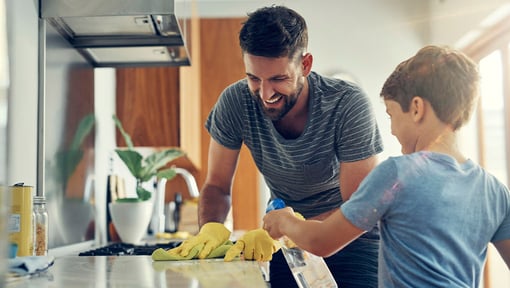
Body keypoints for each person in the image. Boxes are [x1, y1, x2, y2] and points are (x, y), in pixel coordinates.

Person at [167, 5, 383, 287]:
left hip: (351, 242)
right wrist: (211, 229)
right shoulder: (235, 102)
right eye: (254, 78)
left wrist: (289, 227)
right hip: (286, 244)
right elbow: (217, 186)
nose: (265, 94)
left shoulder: (347, 104)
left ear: (305, 64)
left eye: (278, 79)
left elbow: (357, 207)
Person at [263, 45, 510, 287]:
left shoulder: (397, 174)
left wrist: (285, 220)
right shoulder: (495, 191)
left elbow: (323, 242)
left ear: (416, 108)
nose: (391, 130)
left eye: (392, 115)